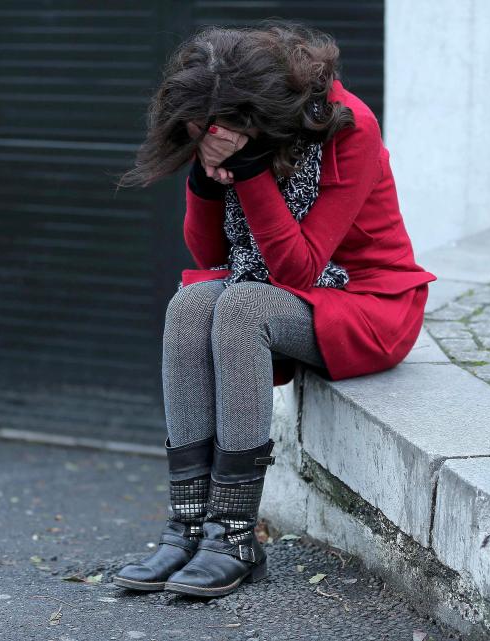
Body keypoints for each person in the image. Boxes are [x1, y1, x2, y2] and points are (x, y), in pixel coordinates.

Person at [111, 21, 436, 598]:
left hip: (367, 302)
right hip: (286, 293)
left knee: (239, 307)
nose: (206, 141)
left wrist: (252, 170)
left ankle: (235, 532)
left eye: (212, 132)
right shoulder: (232, 132)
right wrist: (208, 181)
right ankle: (189, 524)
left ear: (254, 114)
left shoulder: (347, 126)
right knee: (190, 303)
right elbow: (212, 253)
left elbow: (299, 269)